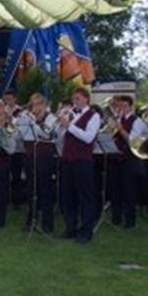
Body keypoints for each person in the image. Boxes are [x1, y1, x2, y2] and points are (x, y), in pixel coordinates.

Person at [56, 87, 101, 243]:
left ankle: (86, 231)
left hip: (83, 161)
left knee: (85, 197)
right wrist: (61, 126)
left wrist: (69, 126)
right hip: (67, 160)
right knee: (68, 196)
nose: (75, 102)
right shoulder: (72, 115)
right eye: (74, 99)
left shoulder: (93, 116)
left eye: (78, 99)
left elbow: (88, 138)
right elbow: (62, 138)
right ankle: (70, 228)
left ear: (86, 99)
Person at [21, 93, 57, 233]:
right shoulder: (30, 117)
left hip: (44, 157)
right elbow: (23, 135)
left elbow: (45, 134)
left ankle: (48, 223)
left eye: (36, 104)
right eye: (32, 104)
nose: (34, 107)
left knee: (45, 190)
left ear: (43, 104)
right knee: (31, 189)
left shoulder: (51, 118)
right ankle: (31, 219)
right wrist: (21, 125)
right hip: (30, 156)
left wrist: (32, 123)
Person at [112, 95, 147, 228]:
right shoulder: (117, 119)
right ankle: (116, 218)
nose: (121, 109)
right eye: (119, 106)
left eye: (124, 106)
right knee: (116, 190)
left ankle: (130, 221)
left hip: (130, 159)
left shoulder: (137, 121)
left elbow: (132, 141)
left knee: (129, 191)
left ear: (131, 107)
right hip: (116, 158)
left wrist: (120, 129)